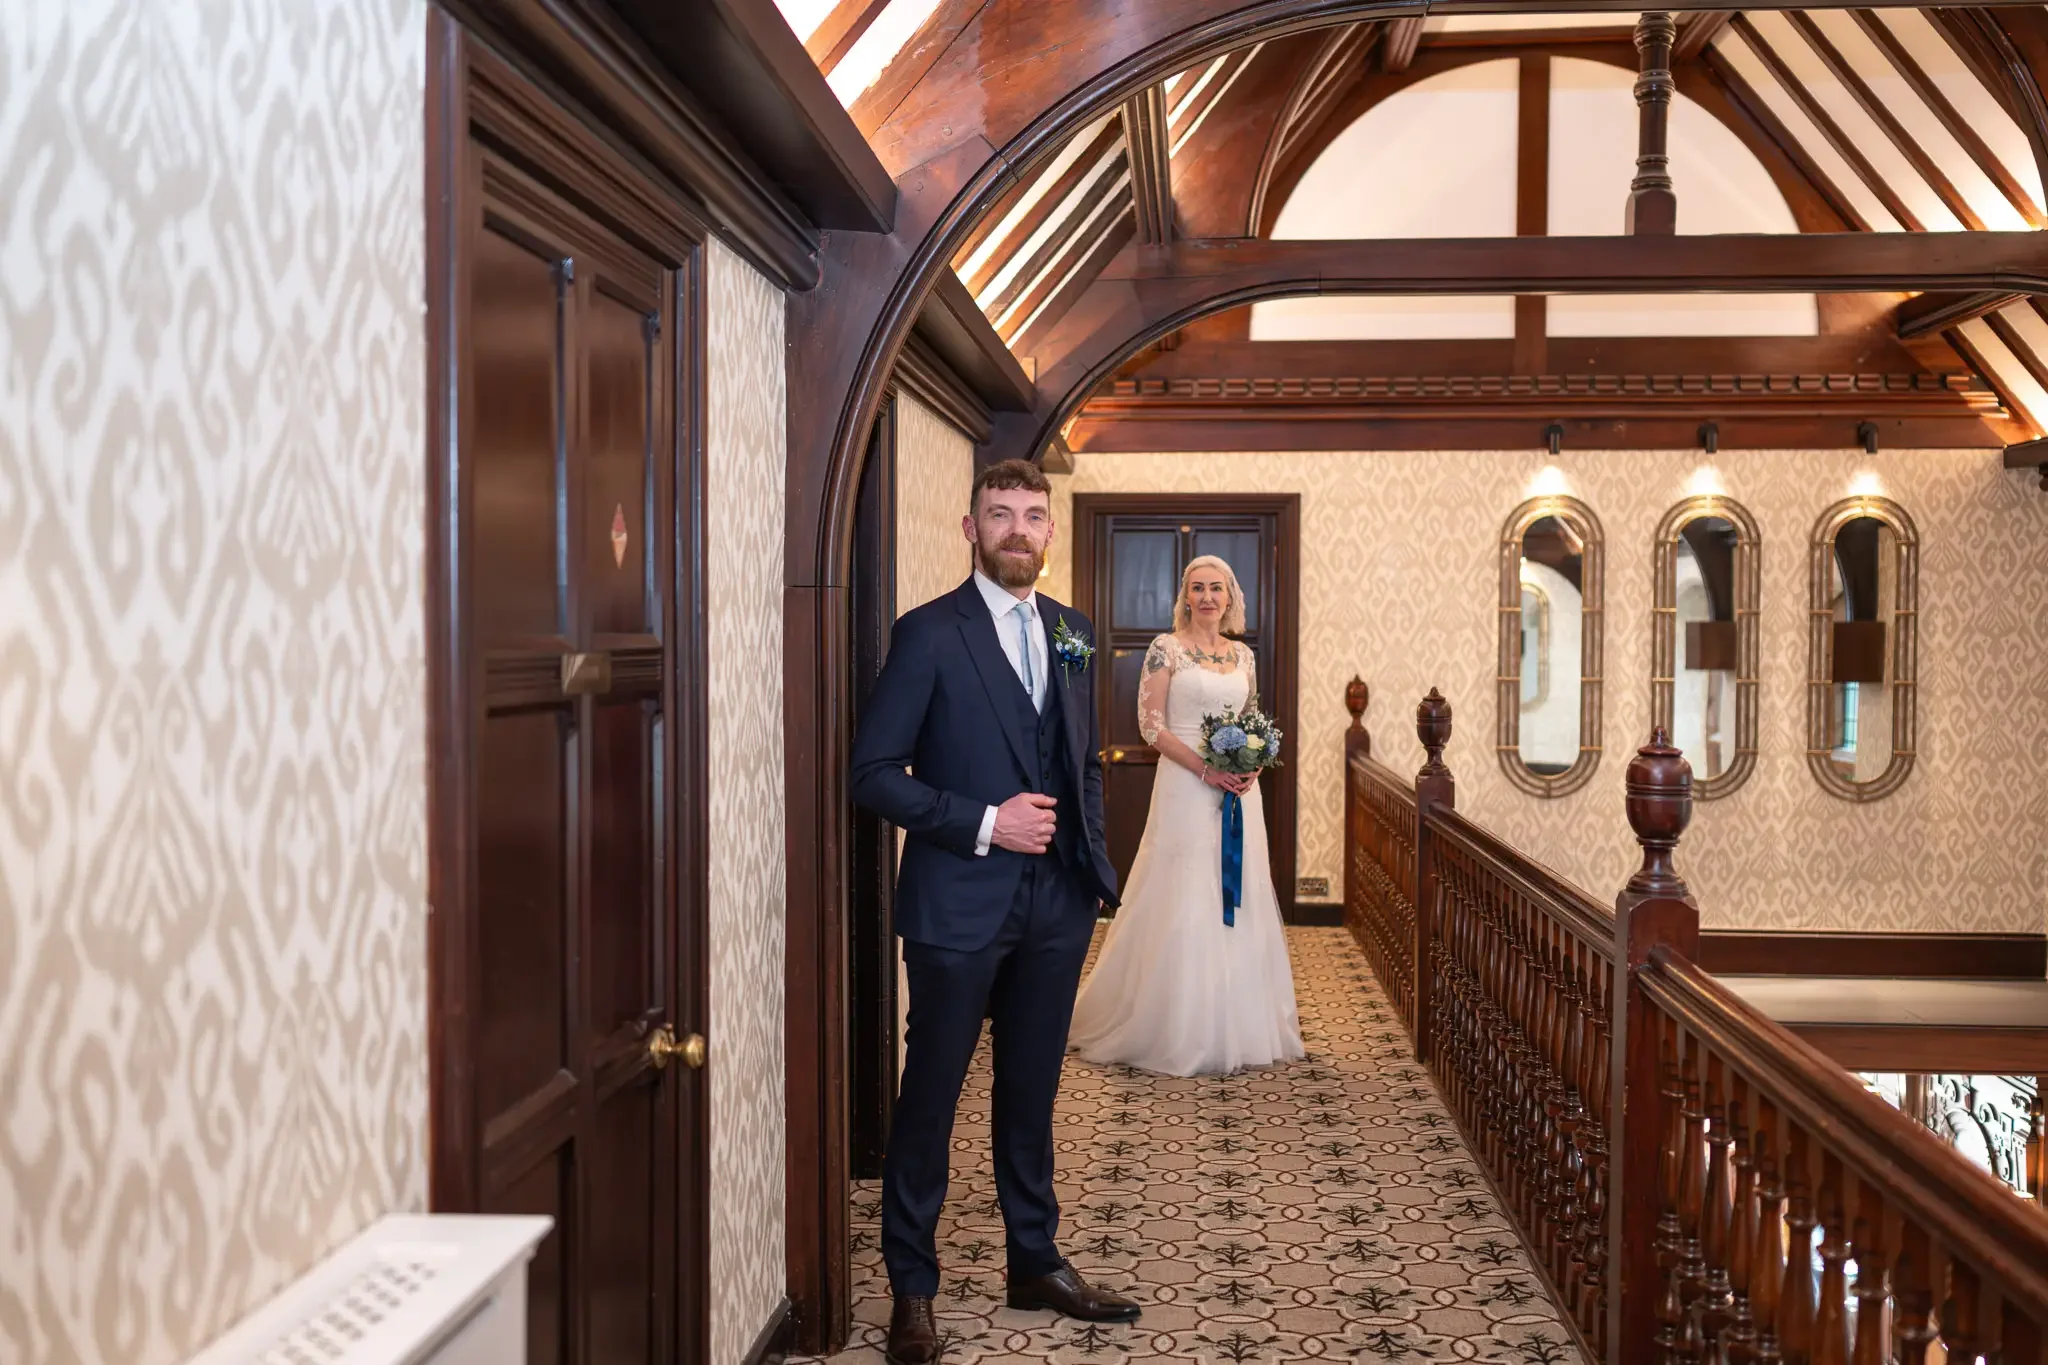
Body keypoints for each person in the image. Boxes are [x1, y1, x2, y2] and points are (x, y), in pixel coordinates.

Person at [849, 459, 1140, 1365]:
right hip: (955, 907)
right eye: (1000, 514)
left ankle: (1035, 1259)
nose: (1018, 529)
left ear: (1050, 532)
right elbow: (873, 776)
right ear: (969, 528)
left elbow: (1083, 761)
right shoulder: (929, 633)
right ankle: (912, 1286)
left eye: (1033, 515)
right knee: (930, 1099)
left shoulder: (1074, 631)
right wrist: (986, 821)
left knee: (1030, 1094)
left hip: (1055, 907)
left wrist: (1092, 871)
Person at [1067, 554, 1305, 1078]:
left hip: (1241, 792)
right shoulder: (1165, 649)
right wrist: (1206, 771)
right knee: (1184, 891)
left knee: (1238, 890)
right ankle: (1175, 1025)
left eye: (1216, 588)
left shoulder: (1243, 655)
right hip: (1185, 788)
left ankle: (1236, 1022)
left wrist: (1253, 768)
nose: (1206, 597)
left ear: (1230, 596)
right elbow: (1151, 727)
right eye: (1196, 588)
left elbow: (1252, 724)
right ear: (1185, 596)